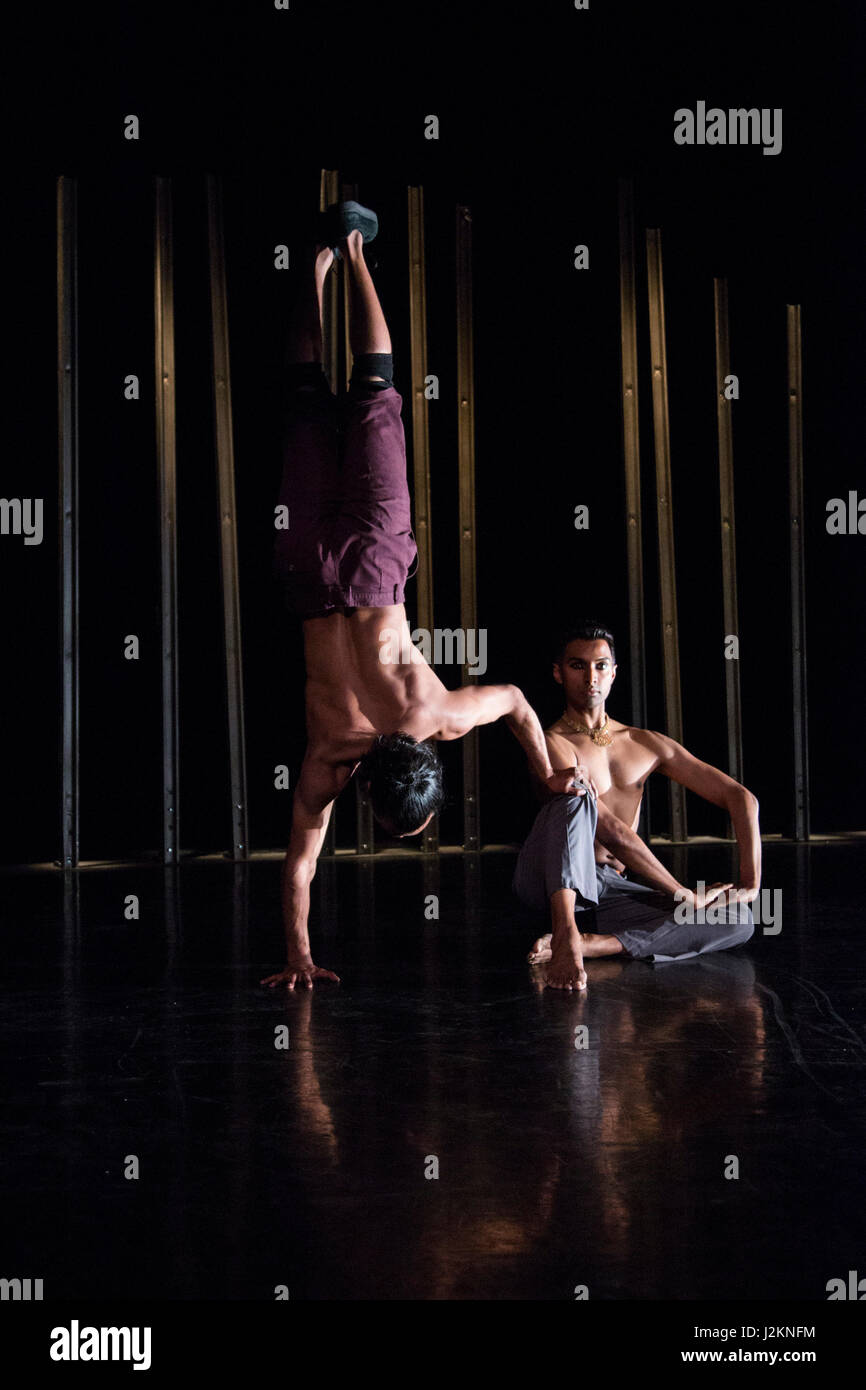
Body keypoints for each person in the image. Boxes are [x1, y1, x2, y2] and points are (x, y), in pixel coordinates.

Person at [261, 201, 585, 991]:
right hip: (305, 571)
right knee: (306, 398)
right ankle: (316, 267)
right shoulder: (327, 758)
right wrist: (297, 954)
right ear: (365, 792)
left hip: (372, 568)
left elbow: (512, 698)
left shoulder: (429, 716)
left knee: (374, 392)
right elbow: (301, 861)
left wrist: (545, 772)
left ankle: (354, 251)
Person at [513, 621, 760, 991]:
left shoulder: (644, 742)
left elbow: (739, 797)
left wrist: (750, 883)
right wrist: (680, 892)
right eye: (578, 666)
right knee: (576, 799)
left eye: (600, 666)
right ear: (559, 673)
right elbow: (610, 831)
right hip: (551, 883)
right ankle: (566, 933)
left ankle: (599, 944)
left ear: (613, 673)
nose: (590, 677)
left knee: (739, 919)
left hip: (614, 888)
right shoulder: (552, 742)